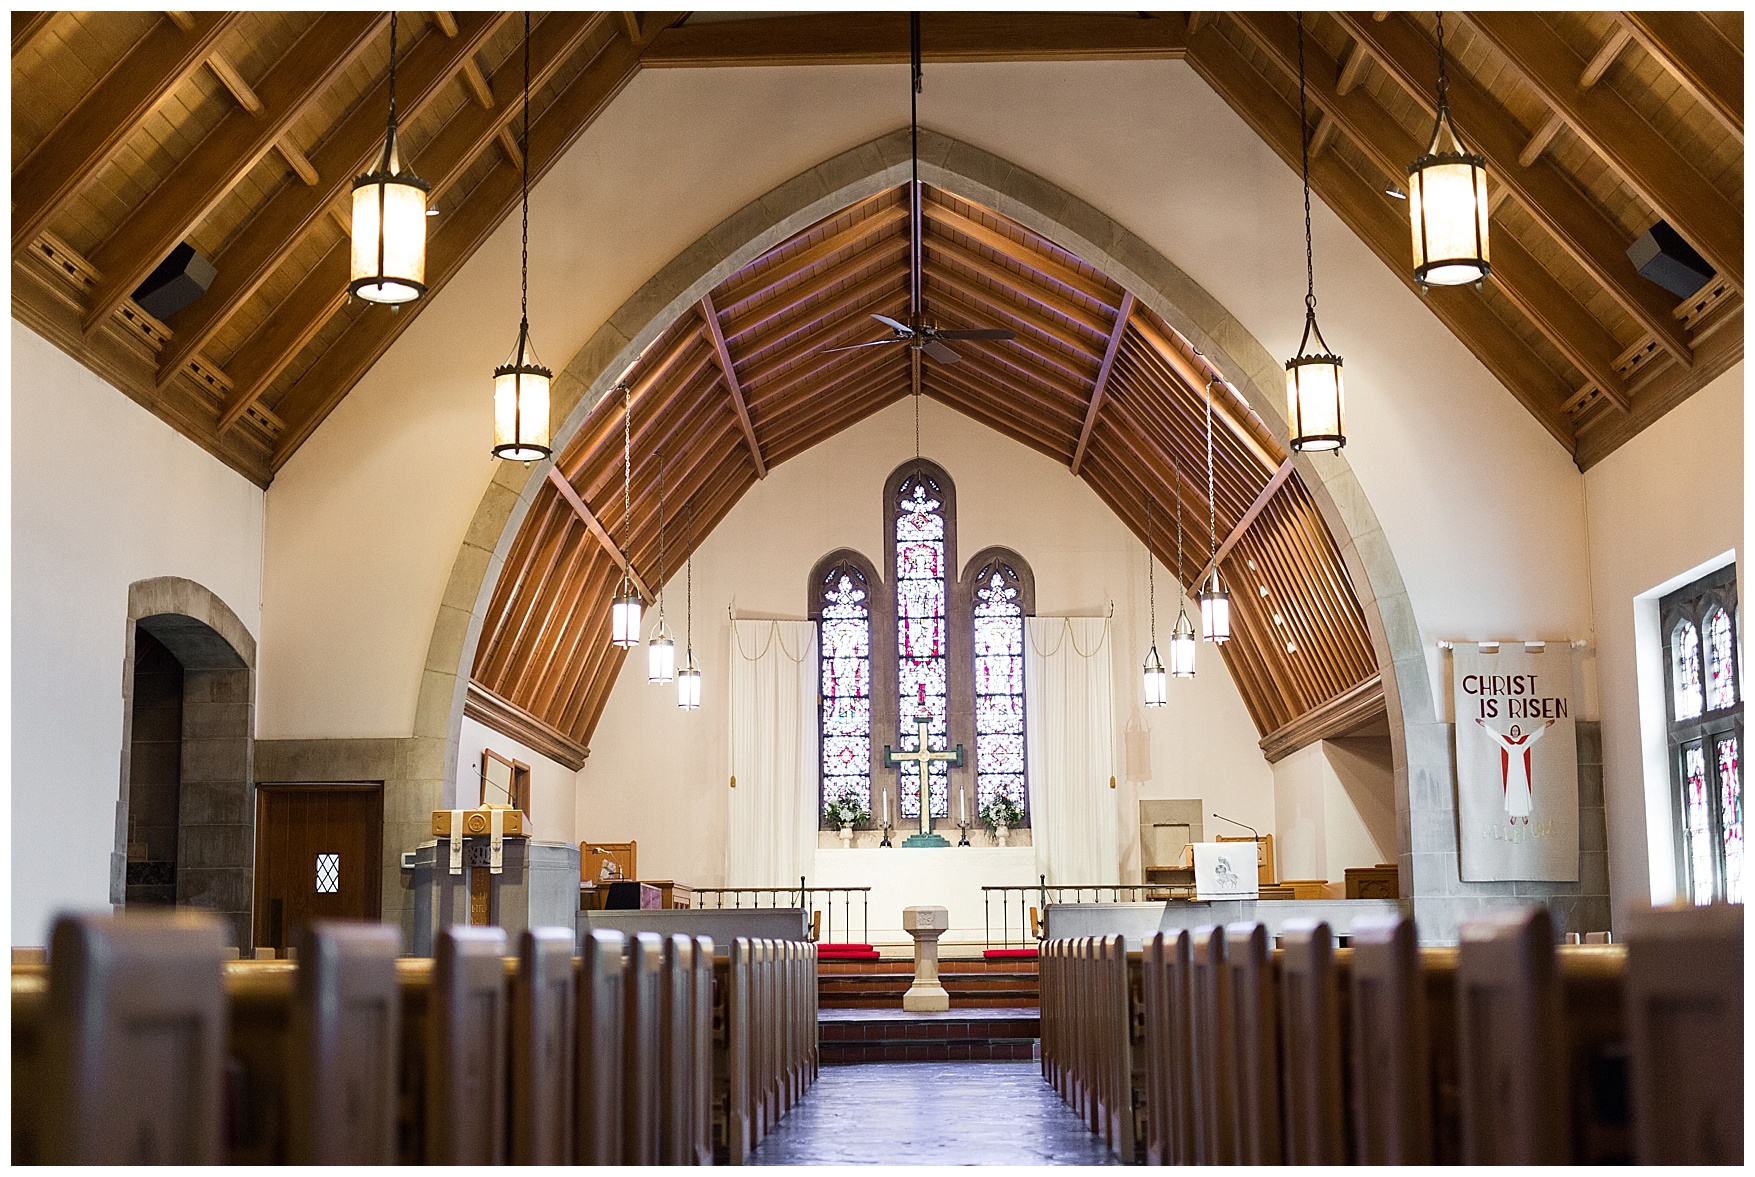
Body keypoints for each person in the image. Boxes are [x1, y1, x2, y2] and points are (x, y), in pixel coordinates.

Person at [1474, 717, 1555, 825]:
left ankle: (1524, 815)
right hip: (1512, 772)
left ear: (1519, 731)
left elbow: (1534, 736)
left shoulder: (1523, 742)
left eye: (1516, 730)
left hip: (1521, 772)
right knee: (1513, 792)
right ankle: (1513, 815)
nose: (1515, 732)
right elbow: (1496, 736)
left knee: (1522, 791)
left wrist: (1545, 725)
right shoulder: (1507, 742)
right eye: (1513, 730)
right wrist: (1484, 725)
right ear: (1511, 731)